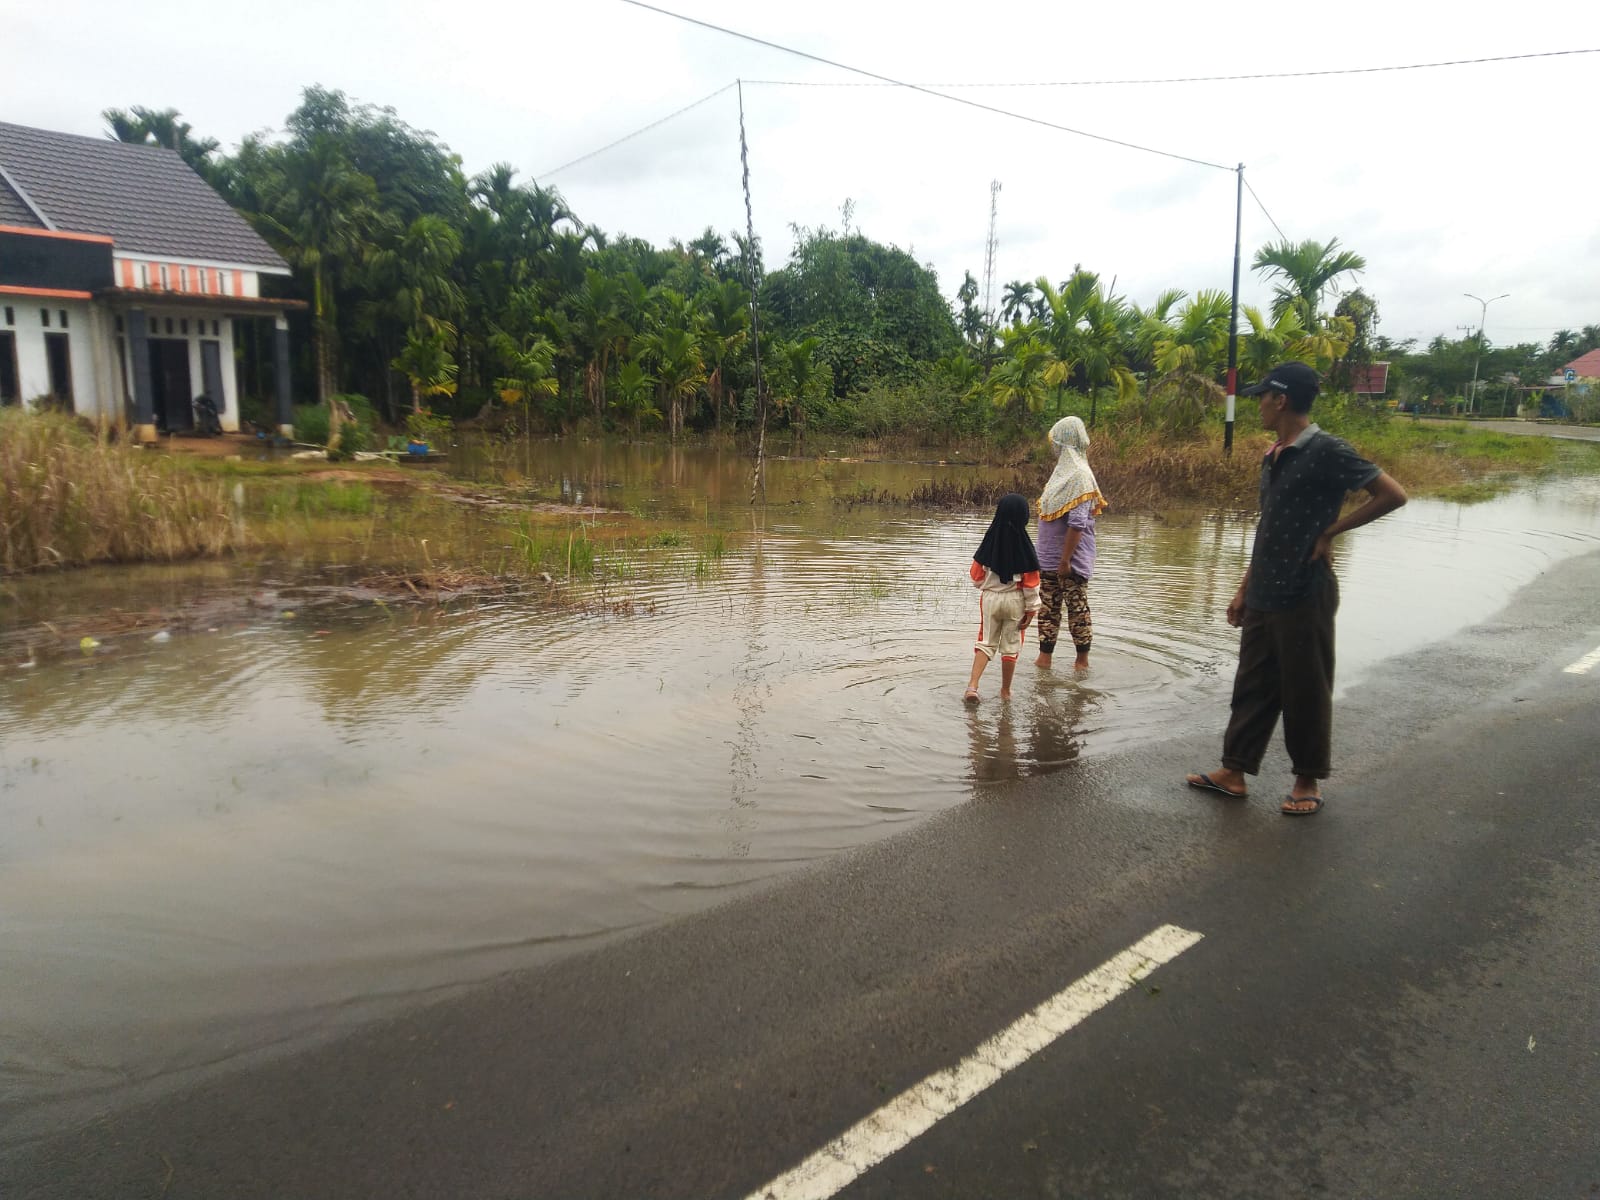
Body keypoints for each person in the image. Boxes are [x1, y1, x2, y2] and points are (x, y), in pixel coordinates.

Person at [1185, 361, 1407, 816]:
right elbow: (1268, 528)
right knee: (1252, 685)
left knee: (1306, 686)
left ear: (1280, 400)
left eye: (1262, 397)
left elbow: (1392, 494)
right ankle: (1234, 771)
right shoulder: (1273, 454)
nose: (1259, 406)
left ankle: (1307, 781)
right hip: (1265, 588)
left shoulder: (1327, 449)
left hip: (1306, 589)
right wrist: (1244, 588)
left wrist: (1331, 533)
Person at [1034, 415, 1106, 671]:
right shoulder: (1060, 476)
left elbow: (1077, 523)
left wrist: (1065, 560)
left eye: (1056, 442)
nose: (1053, 447)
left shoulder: (1079, 476)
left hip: (1069, 563)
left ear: (1066, 442)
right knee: (1048, 610)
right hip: (1049, 560)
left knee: (1077, 610)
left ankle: (1081, 662)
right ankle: (1044, 659)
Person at [964, 492, 1041, 703]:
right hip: (1016, 600)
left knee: (985, 642)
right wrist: (1032, 610)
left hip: (990, 599)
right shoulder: (1025, 547)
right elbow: (1031, 584)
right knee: (1011, 646)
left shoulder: (989, 542)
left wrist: (989, 586)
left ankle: (972, 687)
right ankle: (1005, 691)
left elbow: (975, 576)